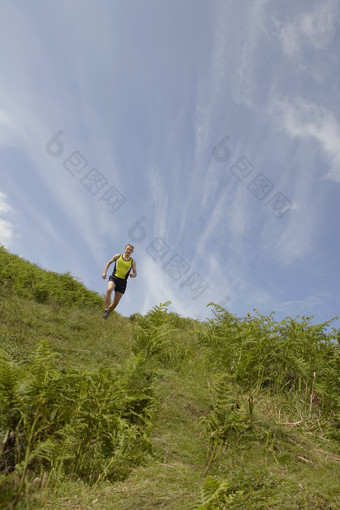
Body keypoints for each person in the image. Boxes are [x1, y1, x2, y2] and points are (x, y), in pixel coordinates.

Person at [102, 243, 137, 319]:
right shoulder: (118, 256)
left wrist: (132, 275)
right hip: (114, 277)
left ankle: (105, 316)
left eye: (130, 250)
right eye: (127, 249)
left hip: (123, 282)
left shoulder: (132, 261)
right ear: (125, 249)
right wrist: (104, 272)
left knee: (115, 302)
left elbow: (135, 273)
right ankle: (106, 309)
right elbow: (109, 262)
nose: (128, 250)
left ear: (132, 252)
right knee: (109, 289)